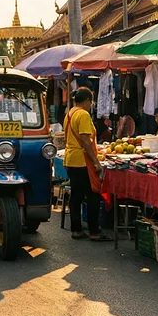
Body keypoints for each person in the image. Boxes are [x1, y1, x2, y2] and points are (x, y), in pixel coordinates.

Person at [64, 87, 110, 241]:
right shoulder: (83, 114)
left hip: (71, 159)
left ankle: (76, 229)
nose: (91, 105)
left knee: (76, 195)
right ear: (87, 100)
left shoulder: (70, 113)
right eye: (91, 101)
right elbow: (85, 139)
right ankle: (94, 231)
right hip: (82, 160)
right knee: (93, 194)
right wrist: (96, 161)